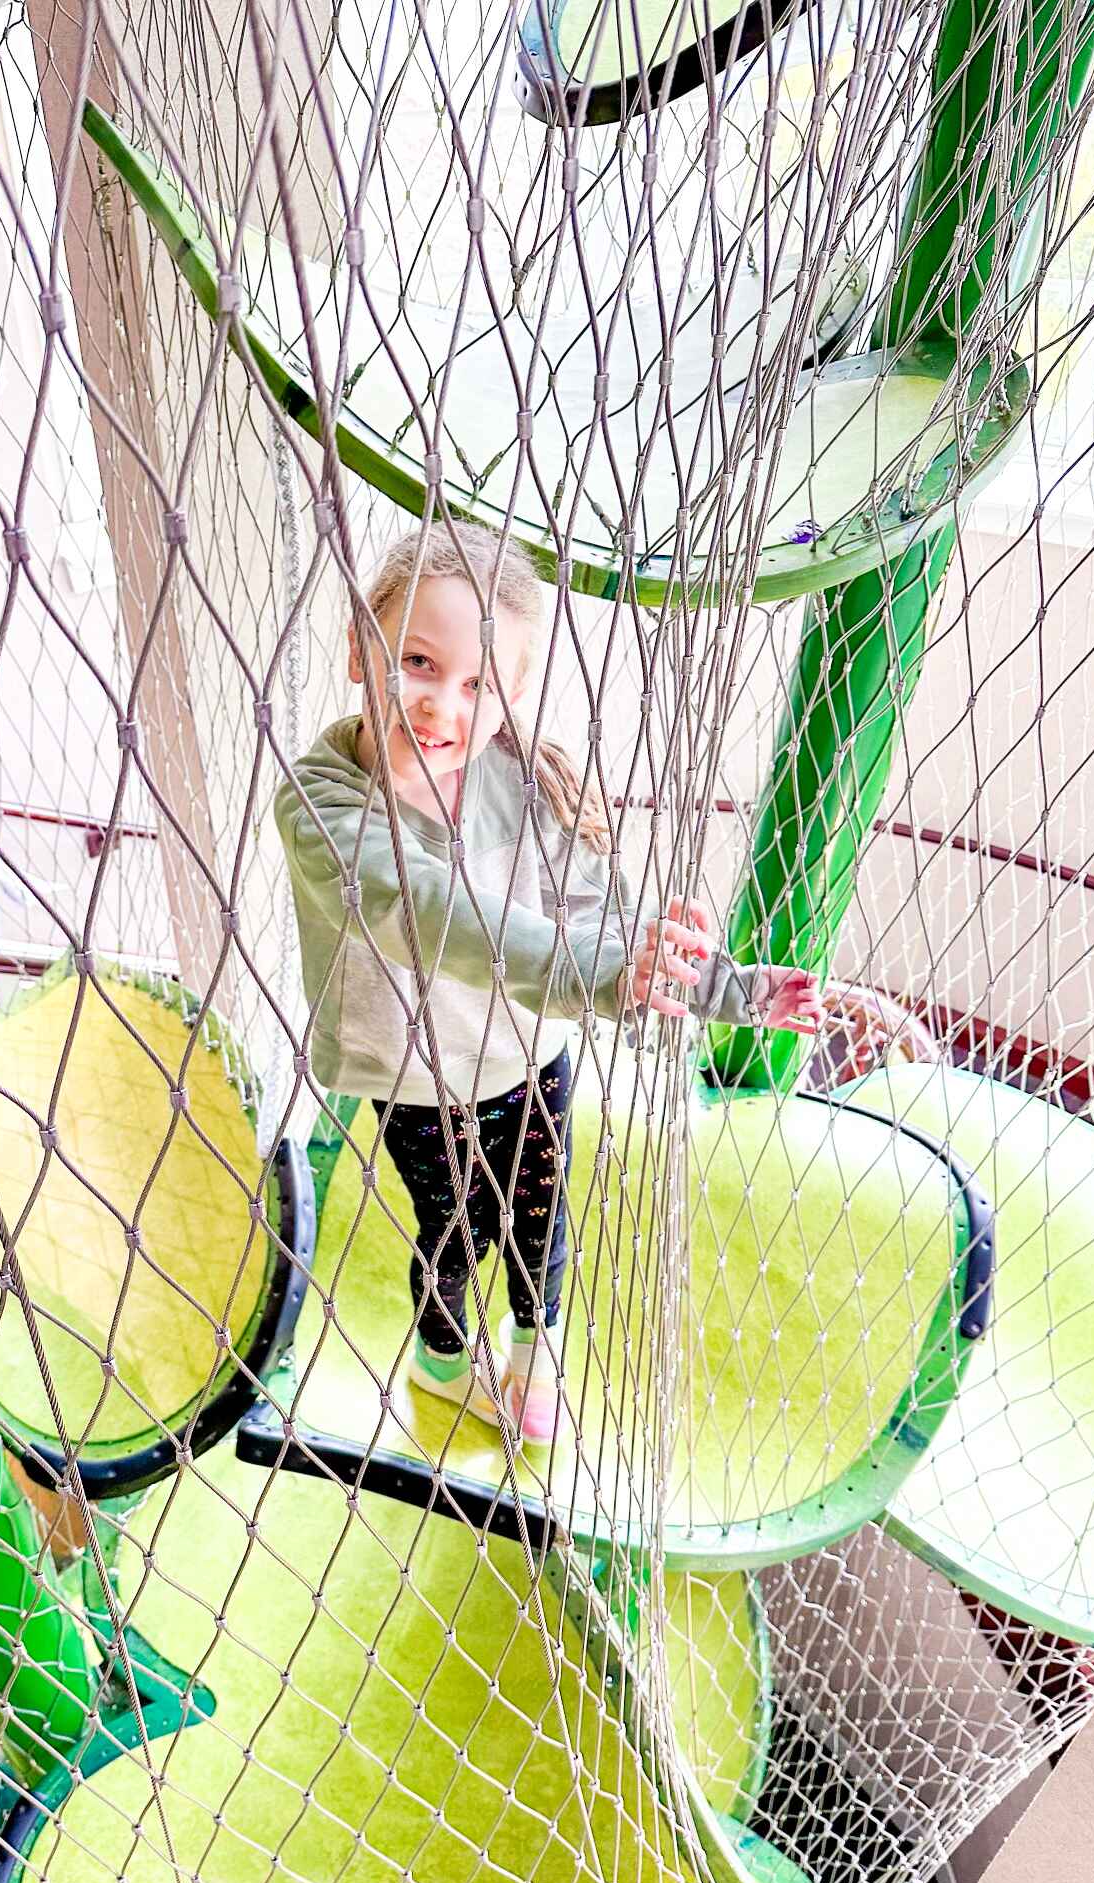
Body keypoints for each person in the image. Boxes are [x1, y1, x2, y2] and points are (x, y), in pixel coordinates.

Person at [275, 524, 825, 1446]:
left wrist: (727, 990)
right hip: (413, 1076)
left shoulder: (529, 784)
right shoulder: (321, 800)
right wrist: (599, 967)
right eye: (417, 659)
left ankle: (537, 1354)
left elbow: (605, 927)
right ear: (357, 648)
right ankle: (443, 1363)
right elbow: (418, 905)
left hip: (527, 1053)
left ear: (509, 696)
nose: (441, 703)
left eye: (478, 683)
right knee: (453, 1231)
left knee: (539, 1218)